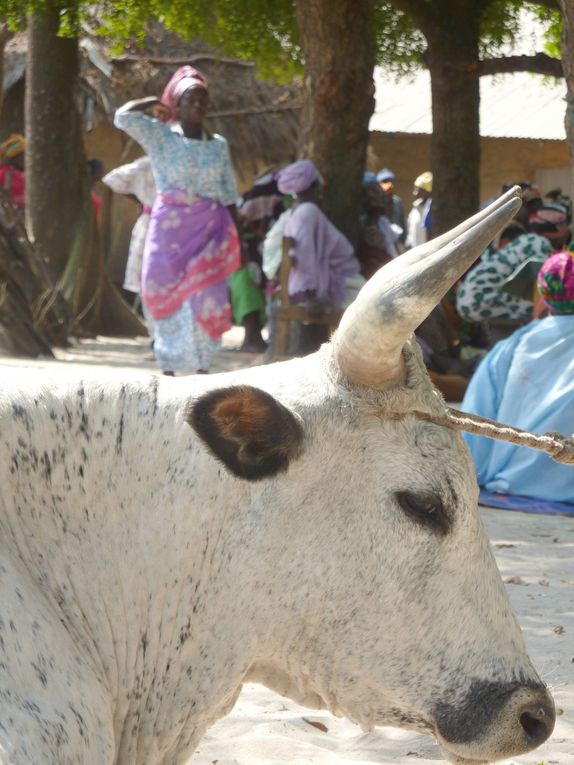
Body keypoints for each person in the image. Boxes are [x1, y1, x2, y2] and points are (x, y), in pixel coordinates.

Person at [114, 65, 240, 375]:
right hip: (168, 237)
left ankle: (201, 370)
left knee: (206, 296)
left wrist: (239, 242)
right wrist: (152, 102)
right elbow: (123, 117)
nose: (197, 104)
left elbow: (228, 195)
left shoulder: (218, 146)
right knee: (163, 294)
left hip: (210, 234)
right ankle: (168, 368)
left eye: (202, 99)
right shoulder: (161, 138)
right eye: (190, 99)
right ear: (178, 105)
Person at [461, 250, 574, 503]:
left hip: (509, 483)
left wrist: (472, 475)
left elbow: (477, 415)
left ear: (544, 294)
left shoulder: (515, 344)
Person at [456, 205, 570, 325]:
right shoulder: (538, 243)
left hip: (470, 297)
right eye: (563, 225)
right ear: (553, 228)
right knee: (549, 307)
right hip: (480, 297)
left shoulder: (528, 239)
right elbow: (547, 282)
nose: (567, 230)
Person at [101, 155, 156, 304]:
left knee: (148, 275)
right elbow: (112, 179)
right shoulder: (152, 163)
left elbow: (114, 179)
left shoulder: (147, 163)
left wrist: (142, 200)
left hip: (150, 224)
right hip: (163, 226)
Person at [376, 167, 406, 242]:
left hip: (396, 241)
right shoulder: (375, 202)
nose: (389, 184)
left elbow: (401, 222)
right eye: (385, 181)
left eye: (391, 181)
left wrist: (403, 241)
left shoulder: (397, 202)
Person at [406, 171, 432, 248]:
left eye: (419, 190)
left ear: (427, 191)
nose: (415, 193)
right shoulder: (415, 208)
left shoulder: (432, 209)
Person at [0, 133, 26, 209]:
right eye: (23, 156)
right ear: (14, 158)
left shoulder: (26, 174)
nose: (26, 160)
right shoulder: (4, 174)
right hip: (10, 215)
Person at [88, 159, 105, 227]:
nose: (103, 172)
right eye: (100, 170)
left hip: (95, 227)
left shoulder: (95, 187)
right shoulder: (86, 187)